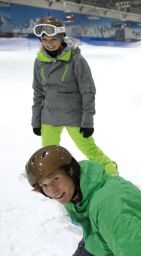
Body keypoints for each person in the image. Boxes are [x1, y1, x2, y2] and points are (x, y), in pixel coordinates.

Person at [25, 145, 141, 256]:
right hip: (100, 244)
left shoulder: (108, 206)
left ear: (71, 172)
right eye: (44, 185)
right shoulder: (77, 189)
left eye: (55, 179)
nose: (53, 191)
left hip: (128, 254)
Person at [31, 16, 118, 175]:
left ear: (61, 38)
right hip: (49, 117)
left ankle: (111, 172)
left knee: (89, 150)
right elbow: (38, 92)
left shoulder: (76, 60)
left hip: (74, 117)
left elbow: (88, 91)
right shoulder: (39, 61)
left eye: (53, 39)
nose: (49, 44)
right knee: (48, 152)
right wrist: (36, 120)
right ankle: (52, 177)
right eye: (44, 40)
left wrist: (87, 121)